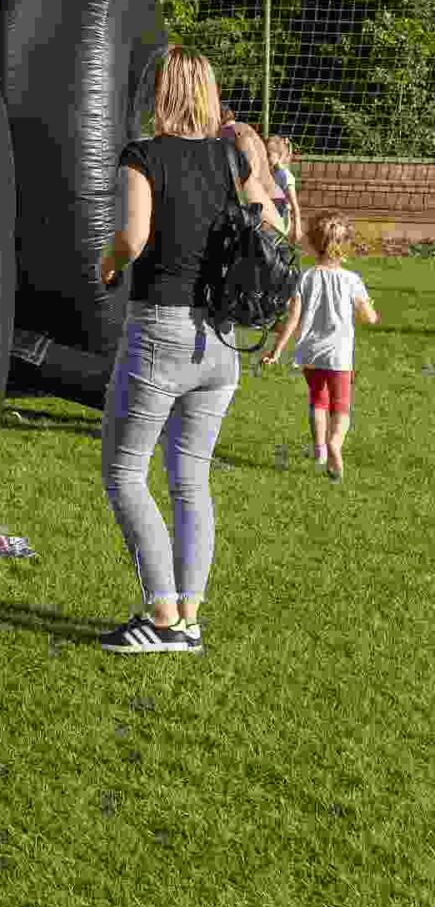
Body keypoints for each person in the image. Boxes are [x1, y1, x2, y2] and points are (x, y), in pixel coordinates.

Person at [95, 47, 283, 654]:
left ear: (159, 93)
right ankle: (189, 617)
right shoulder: (230, 157)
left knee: (125, 474)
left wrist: (107, 265)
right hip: (219, 340)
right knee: (190, 480)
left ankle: (163, 618)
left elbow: (133, 237)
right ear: (207, 94)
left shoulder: (143, 156)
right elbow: (275, 225)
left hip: (160, 331)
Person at [261, 213, 379, 481]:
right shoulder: (352, 280)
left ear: (314, 245)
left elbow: (293, 319)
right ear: (345, 246)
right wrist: (371, 313)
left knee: (318, 400)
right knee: (341, 405)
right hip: (339, 354)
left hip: (311, 352)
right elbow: (368, 317)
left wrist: (275, 352)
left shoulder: (305, 277)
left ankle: (320, 451)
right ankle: (335, 442)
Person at [265, 135, 303, 246]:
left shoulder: (285, 176)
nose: (266, 158)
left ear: (279, 155)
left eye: (269, 155)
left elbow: (294, 205)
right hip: (272, 217)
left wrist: (297, 228)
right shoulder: (272, 174)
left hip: (281, 220)